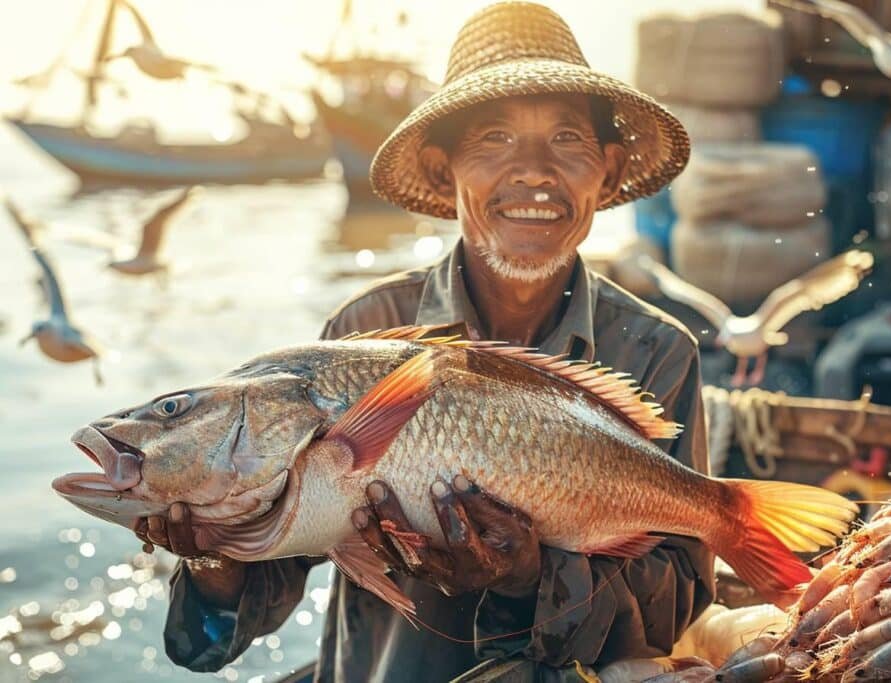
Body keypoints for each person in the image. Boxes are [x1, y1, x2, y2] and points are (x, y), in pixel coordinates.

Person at [138, 3, 714, 681]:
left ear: (609, 172)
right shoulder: (361, 331)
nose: (533, 170)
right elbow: (210, 640)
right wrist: (212, 558)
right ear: (443, 173)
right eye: (494, 138)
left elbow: (675, 605)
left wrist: (532, 575)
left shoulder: (657, 352)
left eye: (567, 139)